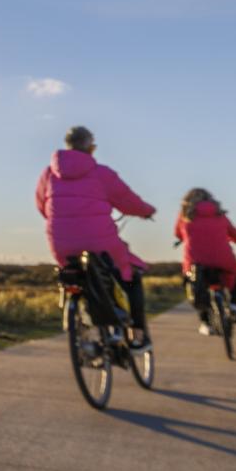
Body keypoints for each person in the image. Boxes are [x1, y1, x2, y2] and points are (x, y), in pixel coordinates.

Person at [35, 126, 157, 346]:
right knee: (130, 274)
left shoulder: (48, 174)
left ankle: (85, 319)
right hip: (102, 243)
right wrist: (147, 211)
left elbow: (42, 206)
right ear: (91, 148)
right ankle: (137, 334)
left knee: (76, 275)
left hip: (61, 244)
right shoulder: (102, 173)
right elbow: (128, 201)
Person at [175, 187, 236, 332]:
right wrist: (233, 239)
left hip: (196, 262)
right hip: (223, 259)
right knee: (233, 273)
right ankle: (233, 304)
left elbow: (177, 233)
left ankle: (205, 322)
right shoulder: (219, 214)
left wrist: (186, 236)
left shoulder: (185, 215)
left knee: (196, 285)